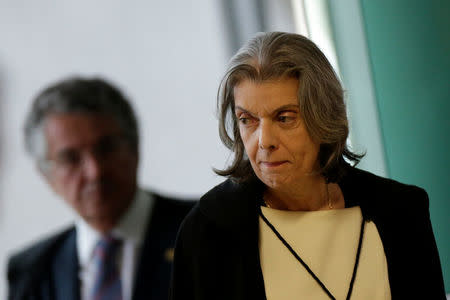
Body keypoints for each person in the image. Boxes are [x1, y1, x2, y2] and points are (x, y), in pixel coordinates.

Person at [170, 32, 446, 299]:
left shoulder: (402, 211)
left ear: (323, 116)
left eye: (285, 118)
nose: (264, 141)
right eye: (247, 120)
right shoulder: (208, 230)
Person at [7, 77, 195, 300]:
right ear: (47, 176)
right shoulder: (32, 271)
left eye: (106, 148)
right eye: (71, 158)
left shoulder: (207, 227)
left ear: (135, 147)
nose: (95, 172)